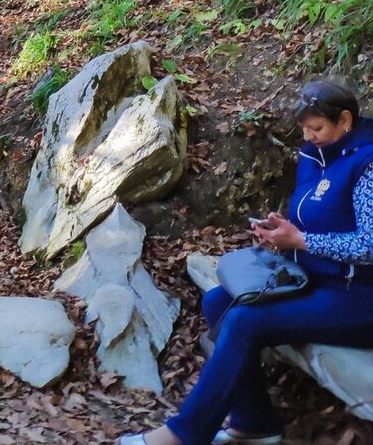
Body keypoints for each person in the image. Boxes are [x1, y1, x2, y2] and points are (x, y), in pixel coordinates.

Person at [119, 79, 373, 445]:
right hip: (314, 279)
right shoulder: (314, 156)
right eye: (303, 128)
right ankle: (254, 422)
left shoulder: (366, 163)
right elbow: (317, 218)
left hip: (357, 297)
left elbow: (368, 245)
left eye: (316, 128)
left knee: (244, 319)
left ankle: (183, 434)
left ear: (345, 120)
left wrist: (301, 240)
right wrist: (281, 233)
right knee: (218, 301)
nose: (308, 136)